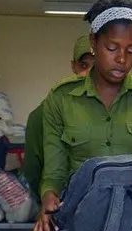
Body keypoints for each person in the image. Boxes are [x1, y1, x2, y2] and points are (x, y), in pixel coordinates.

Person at [33, 0, 132, 231]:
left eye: (131, 50)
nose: (122, 59)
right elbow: (53, 173)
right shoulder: (62, 98)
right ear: (93, 41)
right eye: (112, 48)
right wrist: (49, 196)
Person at [22, 34, 95, 197]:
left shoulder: (112, 110)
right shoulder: (43, 113)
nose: (89, 73)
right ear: (73, 66)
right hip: (61, 207)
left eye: (96, 66)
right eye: (84, 65)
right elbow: (32, 171)